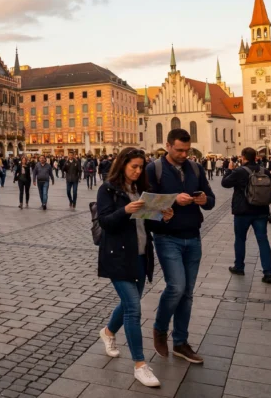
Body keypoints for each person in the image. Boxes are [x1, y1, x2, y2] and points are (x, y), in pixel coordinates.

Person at [96, 148, 174, 388]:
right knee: (133, 308)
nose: (138, 171)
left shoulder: (141, 191)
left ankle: (108, 332)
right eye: (134, 167)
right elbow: (105, 222)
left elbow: (147, 225)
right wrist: (125, 210)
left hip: (140, 255)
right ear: (122, 165)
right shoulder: (107, 189)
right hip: (117, 256)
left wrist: (164, 216)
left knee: (129, 303)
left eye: (141, 167)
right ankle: (140, 365)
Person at [146, 128, 214, 364]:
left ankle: (181, 343)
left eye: (187, 150)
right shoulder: (153, 169)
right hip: (167, 237)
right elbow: (147, 204)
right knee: (176, 286)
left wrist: (205, 200)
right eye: (180, 150)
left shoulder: (195, 167)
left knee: (187, 293)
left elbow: (211, 199)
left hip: (193, 236)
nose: (185, 154)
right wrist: (174, 198)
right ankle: (160, 329)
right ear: (168, 146)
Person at [221, 148, 271, 283]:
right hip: (261, 210)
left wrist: (230, 169)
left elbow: (225, 183)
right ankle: (268, 273)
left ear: (243, 157)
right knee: (263, 240)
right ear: (255, 157)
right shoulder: (264, 171)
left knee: (240, 239)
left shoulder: (239, 171)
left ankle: (239, 266)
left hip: (243, 211)